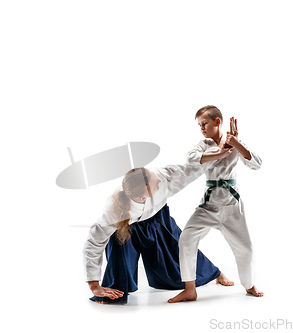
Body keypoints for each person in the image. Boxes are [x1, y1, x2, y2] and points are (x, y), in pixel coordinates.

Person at [84, 164, 234, 304]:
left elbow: (190, 170)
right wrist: (93, 284)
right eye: (155, 181)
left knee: (177, 248)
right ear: (143, 197)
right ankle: (113, 290)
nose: (160, 180)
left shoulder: (164, 176)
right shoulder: (114, 211)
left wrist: (215, 157)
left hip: (156, 218)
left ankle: (216, 274)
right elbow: (94, 243)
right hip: (126, 227)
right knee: (119, 260)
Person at [168, 105, 263, 303]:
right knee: (186, 238)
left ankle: (249, 284)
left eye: (204, 124)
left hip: (231, 207)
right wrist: (220, 152)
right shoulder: (204, 145)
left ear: (217, 122)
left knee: (246, 249)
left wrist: (236, 143)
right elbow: (191, 159)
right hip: (208, 206)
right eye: (199, 125)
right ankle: (190, 289)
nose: (201, 128)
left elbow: (257, 164)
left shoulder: (235, 143)